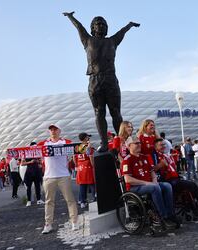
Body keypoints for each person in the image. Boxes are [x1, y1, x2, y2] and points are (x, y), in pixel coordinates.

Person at [63, 12, 140, 152]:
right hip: (95, 80)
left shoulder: (112, 41)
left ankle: (122, 141)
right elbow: (78, 26)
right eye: (98, 24)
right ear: (93, 27)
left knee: (116, 112)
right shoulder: (87, 40)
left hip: (111, 79)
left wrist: (129, 25)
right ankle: (105, 143)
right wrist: (70, 16)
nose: (101, 26)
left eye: (104, 24)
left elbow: (122, 31)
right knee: (99, 112)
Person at [121, 136, 179, 230]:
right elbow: (128, 179)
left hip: (148, 184)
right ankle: (163, 216)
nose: (139, 145)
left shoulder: (144, 157)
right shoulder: (127, 160)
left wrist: (154, 181)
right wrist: (146, 183)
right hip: (135, 187)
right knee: (154, 188)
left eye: (139, 143)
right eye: (136, 143)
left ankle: (170, 214)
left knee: (167, 186)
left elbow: (152, 172)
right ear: (128, 146)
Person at [152, 139, 198, 217]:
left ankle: (197, 207)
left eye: (164, 144)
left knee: (190, 187)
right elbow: (154, 169)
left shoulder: (165, 155)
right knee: (192, 185)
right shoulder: (156, 156)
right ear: (155, 147)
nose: (164, 146)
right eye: (161, 145)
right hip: (168, 180)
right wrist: (161, 165)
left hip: (174, 178)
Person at [37, 124, 78, 234]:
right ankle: (48, 224)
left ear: (60, 131)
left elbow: (79, 149)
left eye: (55, 129)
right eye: (51, 129)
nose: (53, 131)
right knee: (49, 201)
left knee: (70, 199)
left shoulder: (66, 142)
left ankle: (74, 221)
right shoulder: (43, 143)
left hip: (63, 175)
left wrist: (85, 147)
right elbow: (32, 151)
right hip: (49, 176)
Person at [75, 132, 96, 209]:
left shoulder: (77, 147)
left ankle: (82, 201)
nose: (89, 138)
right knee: (92, 184)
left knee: (82, 185)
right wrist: (93, 165)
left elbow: (74, 158)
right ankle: (95, 199)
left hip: (80, 168)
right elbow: (90, 156)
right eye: (88, 137)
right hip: (88, 167)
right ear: (85, 138)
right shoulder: (88, 146)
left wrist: (77, 165)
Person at [21, 142, 44, 207]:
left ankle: (39, 200)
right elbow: (22, 163)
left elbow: (40, 162)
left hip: (37, 171)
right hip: (29, 172)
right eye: (34, 146)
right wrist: (30, 162)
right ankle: (29, 201)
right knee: (29, 187)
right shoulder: (26, 153)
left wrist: (38, 162)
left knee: (38, 186)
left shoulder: (38, 153)